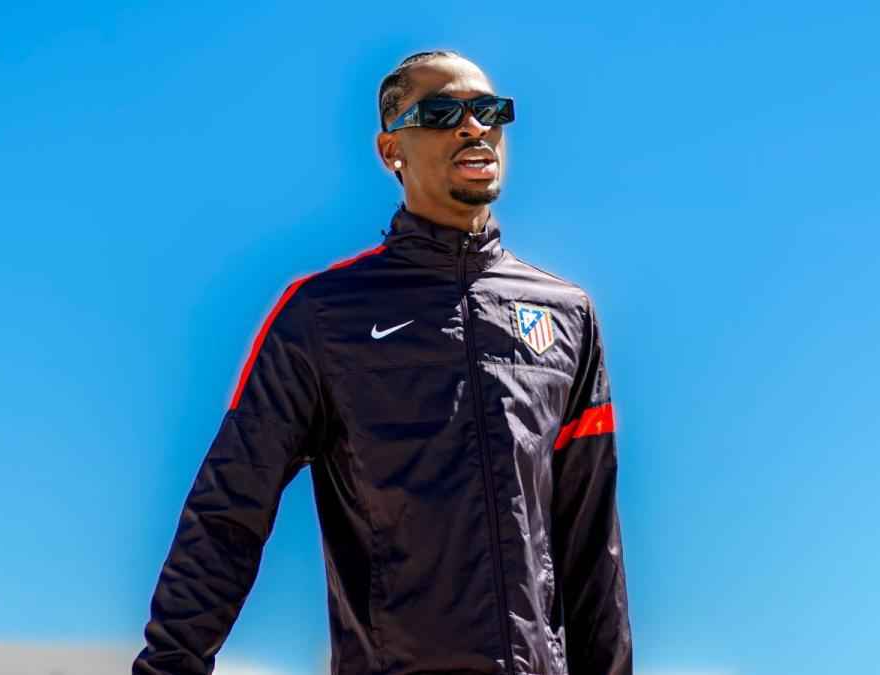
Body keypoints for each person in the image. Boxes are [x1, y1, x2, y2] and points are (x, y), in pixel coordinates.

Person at [133, 49, 632, 675]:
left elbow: (591, 543)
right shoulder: (322, 316)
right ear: (391, 150)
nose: (474, 127)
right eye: (442, 112)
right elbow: (229, 511)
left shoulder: (567, 316)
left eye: (489, 110)